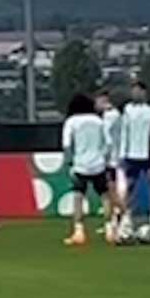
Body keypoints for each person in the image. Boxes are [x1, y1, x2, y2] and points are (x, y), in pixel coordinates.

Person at [61, 94, 110, 246]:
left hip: (80, 164)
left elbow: (67, 144)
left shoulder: (72, 122)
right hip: (98, 164)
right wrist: (103, 158)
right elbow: (108, 143)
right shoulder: (98, 121)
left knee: (78, 197)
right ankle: (110, 228)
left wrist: (69, 161)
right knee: (105, 196)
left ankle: (79, 231)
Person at [117, 81, 150, 232]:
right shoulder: (128, 109)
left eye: (138, 91)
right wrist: (122, 154)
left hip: (149, 155)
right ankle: (127, 216)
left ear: (145, 92)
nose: (135, 94)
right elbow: (124, 132)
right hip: (132, 155)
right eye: (133, 91)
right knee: (129, 187)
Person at [95, 91, 125, 238]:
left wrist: (103, 157)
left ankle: (120, 220)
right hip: (117, 157)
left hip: (111, 160)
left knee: (110, 193)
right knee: (110, 193)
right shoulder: (116, 114)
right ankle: (113, 222)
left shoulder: (109, 116)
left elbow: (107, 140)